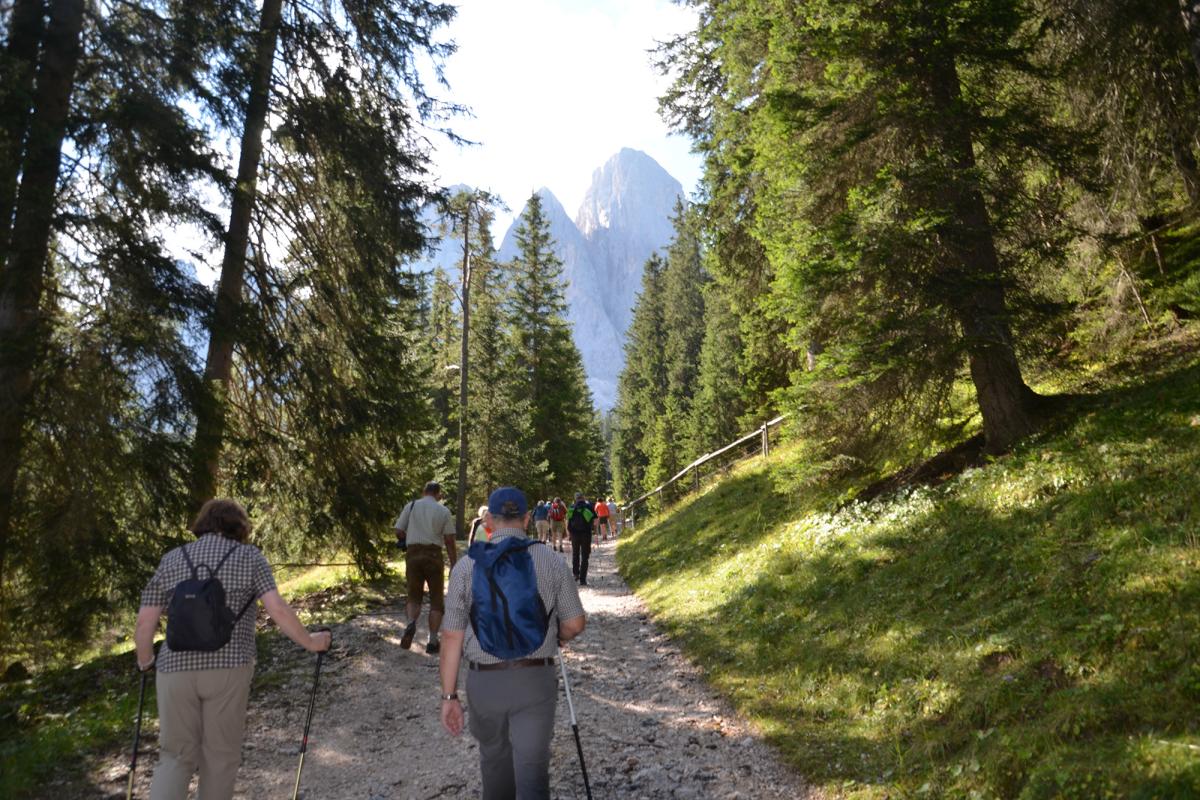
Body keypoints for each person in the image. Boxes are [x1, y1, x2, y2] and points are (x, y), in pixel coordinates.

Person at [134, 499, 331, 800]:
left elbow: (145, 622)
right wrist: (311, 642)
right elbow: (276, 608)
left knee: (174, 757)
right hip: (229, 667)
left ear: (202, 524)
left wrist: (146, 662)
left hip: (174, 670)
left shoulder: (172, 558)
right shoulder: (249, 556)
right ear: (240, 527)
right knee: (219, 758)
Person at [439, 487, 587, 800]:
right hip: (535, 680)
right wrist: (559, 636)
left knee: (494, 763)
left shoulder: (466, 568)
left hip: (484, 682)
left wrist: (450, 695)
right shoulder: (550, 560)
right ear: (527, 518)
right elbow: (575, 623)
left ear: (489, 520)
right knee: (532, 772)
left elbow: (451, 635)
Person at [393, 481, 458, 654]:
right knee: (436, 598)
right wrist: (453, 563)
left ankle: (410, 623)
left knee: (414, 595)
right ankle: (432, 640)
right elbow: (449, 540)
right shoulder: (443, 511)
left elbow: (398, 530)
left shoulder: (411, 506)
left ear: (423, 491)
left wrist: (408, 537)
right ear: (438, 494)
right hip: (433, 555)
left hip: (413, 554)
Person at [566, 493, 596, 586]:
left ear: (575, 499)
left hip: (574, 534)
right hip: (586, 534)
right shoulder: (588, 506)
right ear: (583, 498)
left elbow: (568, 520)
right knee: (585, 556)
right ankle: (583, 579)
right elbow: (595, 519)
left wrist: (569, 534)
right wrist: (594, 529)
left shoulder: (571, 507)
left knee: (575, 554)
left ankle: (575, 574)